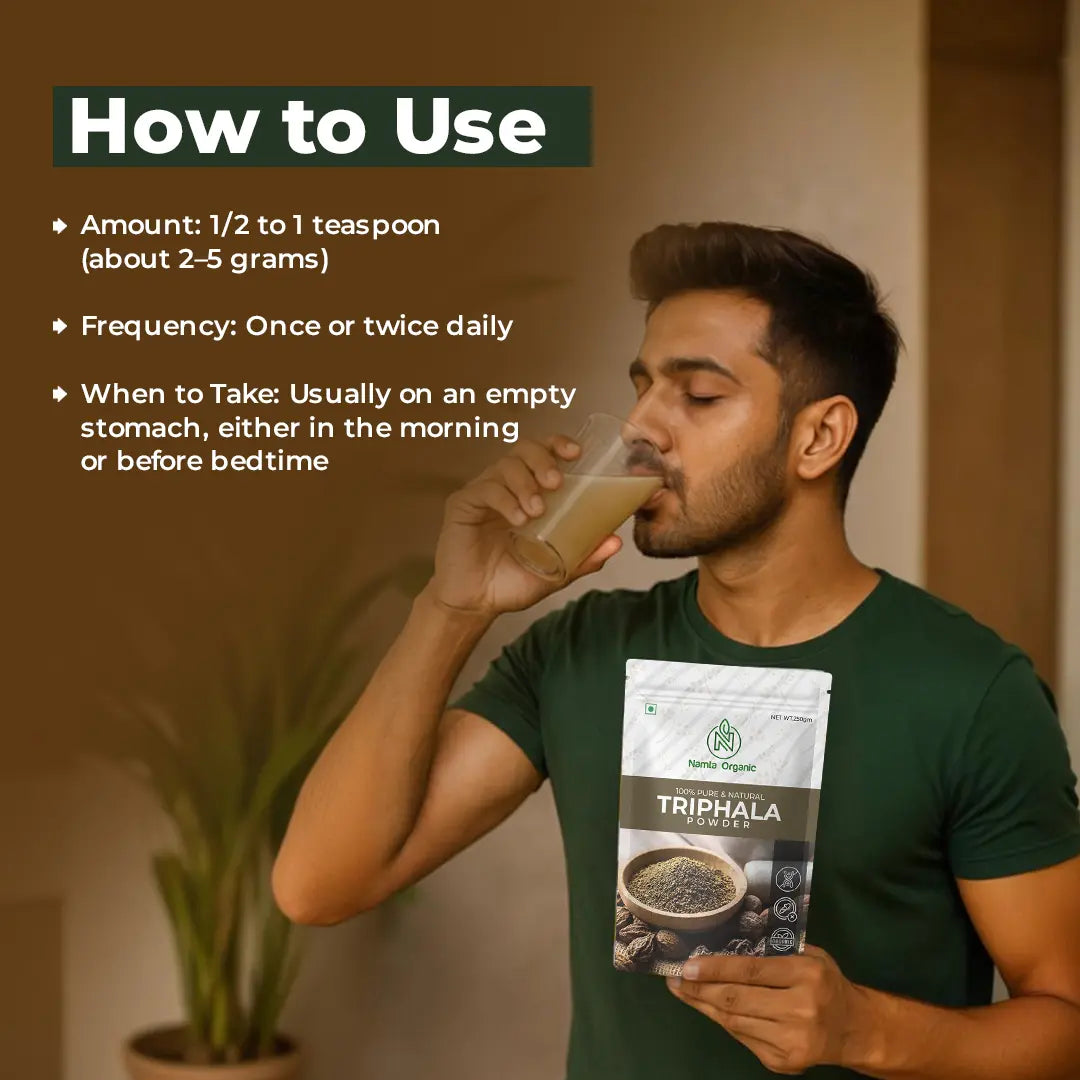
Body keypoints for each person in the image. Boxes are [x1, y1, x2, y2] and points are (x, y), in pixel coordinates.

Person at [273, 222, 1080, 1078]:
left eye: (696, 396)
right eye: (643, 387)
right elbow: (318, 886)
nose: (643, 428)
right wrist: (451, 607)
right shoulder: (580, 652)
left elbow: (1065, 1026)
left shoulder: (970, 690)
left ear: (818, 438)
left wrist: (863, 1031)